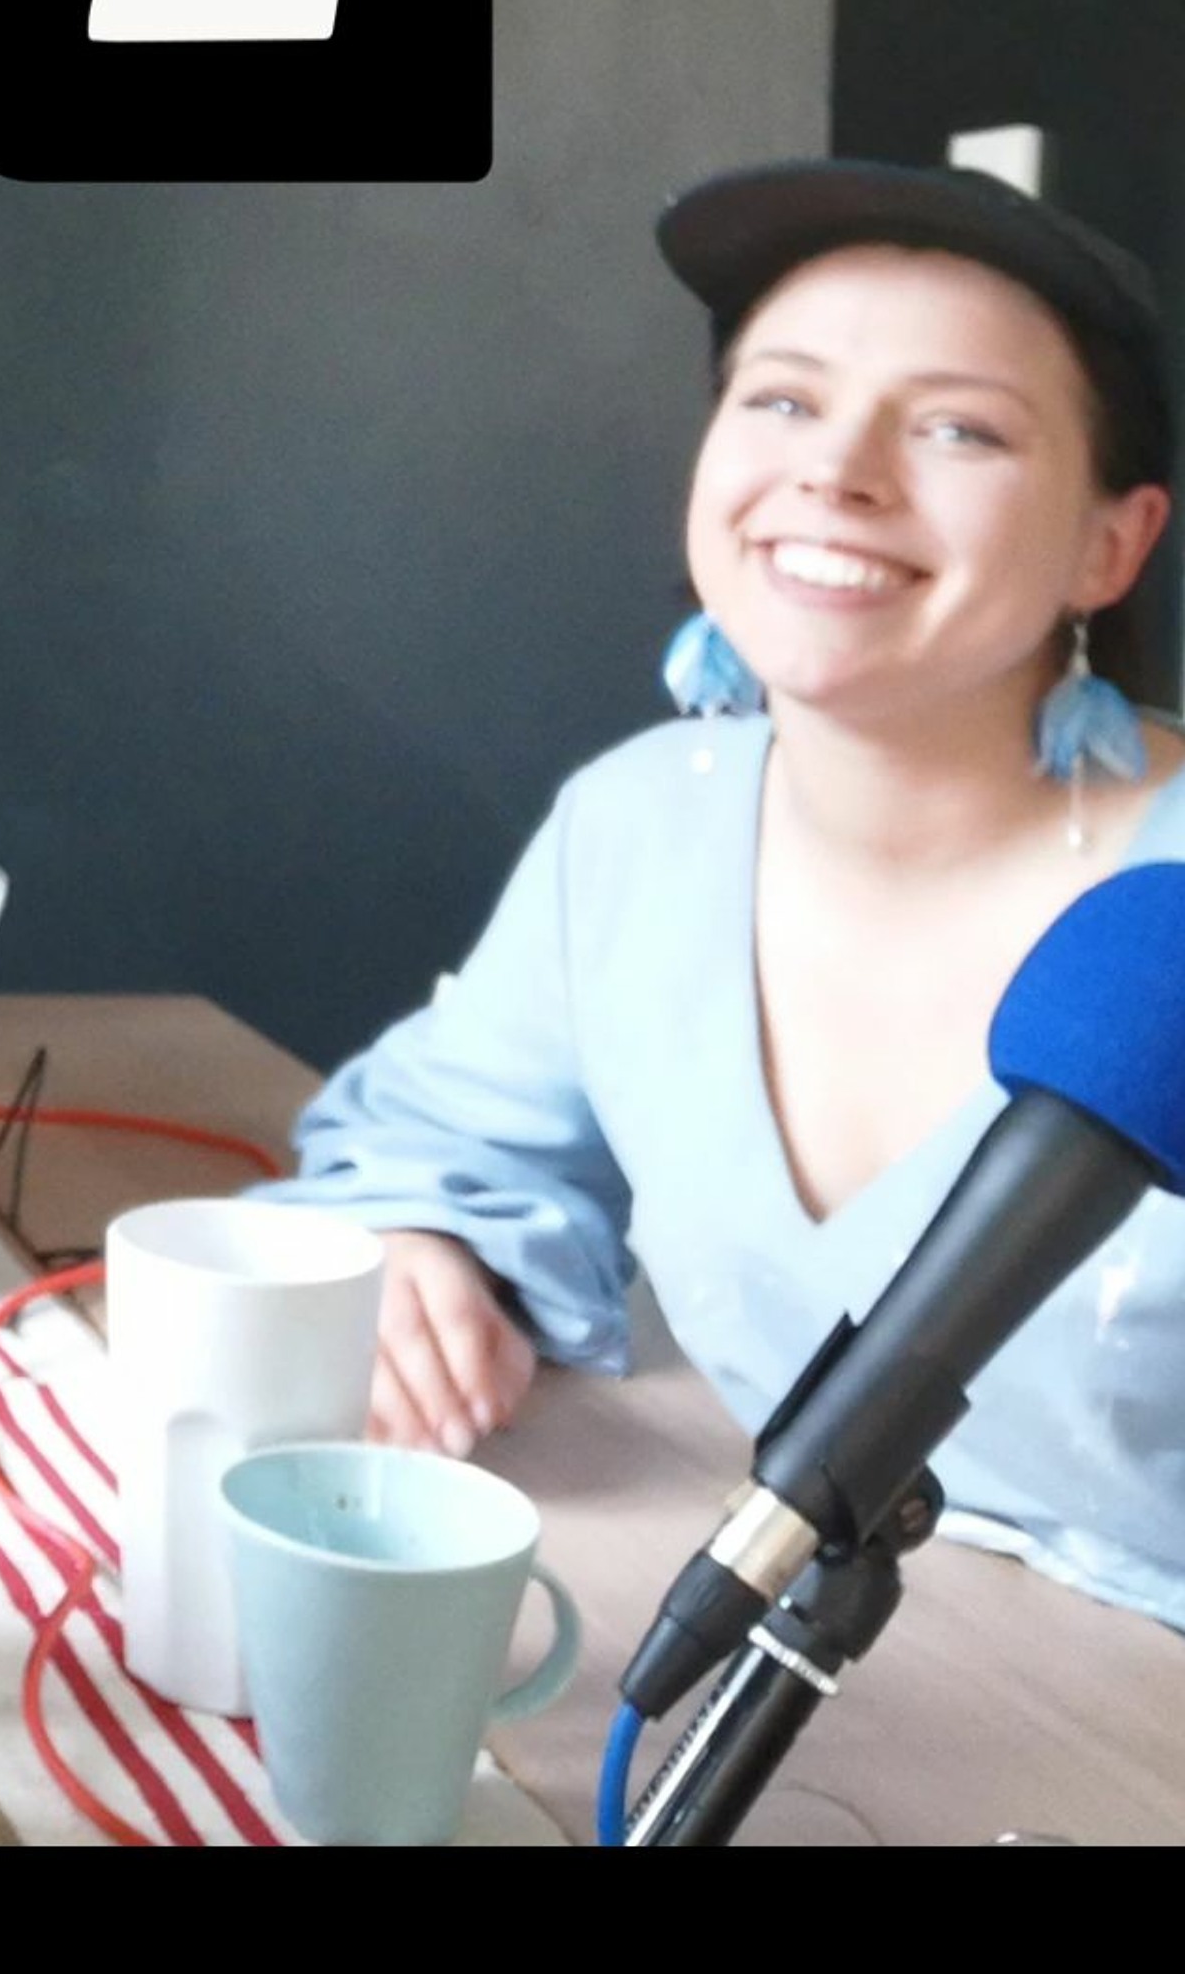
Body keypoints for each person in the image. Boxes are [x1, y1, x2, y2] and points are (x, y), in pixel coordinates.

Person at [253, 157, 1185, 1626]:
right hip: (818, 1642)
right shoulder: (644, 825)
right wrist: (427, 1247)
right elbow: (446, 1136)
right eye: (785, 400)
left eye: (957, 427)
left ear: (1110, 544)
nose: (838, 471)